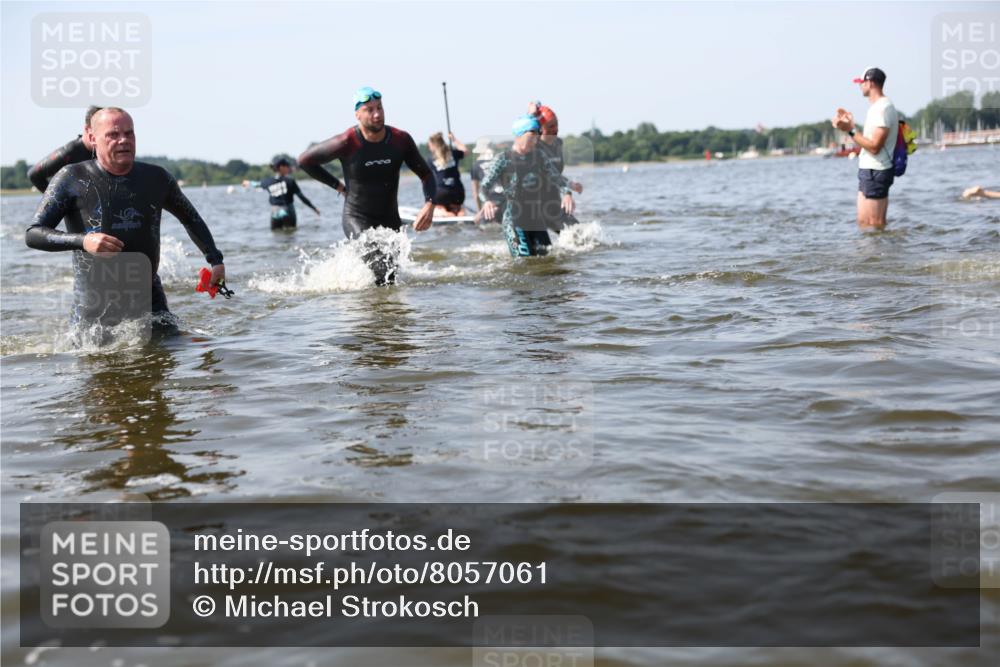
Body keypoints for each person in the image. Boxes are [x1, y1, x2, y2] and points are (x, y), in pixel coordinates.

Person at [25, 108, 226, 330]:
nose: (123, 140)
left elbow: (191, 218)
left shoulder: (157, 178)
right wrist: (84, 241)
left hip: (151, 303)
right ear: (92, 138)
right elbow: (33, 233)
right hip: (95, 311)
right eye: (113, 134)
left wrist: (215, 261)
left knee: (192, 346)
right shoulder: (71, 178)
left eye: (129, 133)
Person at [297, 86, 436, 285]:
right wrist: (338, 186)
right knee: (382, 269)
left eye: (379, 107)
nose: (377, 114)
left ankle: (376, 304)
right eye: (369, 110)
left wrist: (429, 204)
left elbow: (427, 174)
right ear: (357, 115)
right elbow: (305, 161)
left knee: (391, 277)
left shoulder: (400, 140)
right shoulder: (347, 142)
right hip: (357, 217)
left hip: (390, 219)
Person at [478, 115, 575, 257]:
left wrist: (567, 193)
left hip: (536, 219)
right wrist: (486, 201)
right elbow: (484, 187)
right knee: (523, 262)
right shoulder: (503, 159)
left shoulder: (539, 156)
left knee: (547, 261)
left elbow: (556, 177)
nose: (536, 138)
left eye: (538, 134)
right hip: (514, 219)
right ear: (520, 135)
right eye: (532, 134)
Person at [832, 67, 898, 229]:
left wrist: (850, 130)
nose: (859, 86)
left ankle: (886, 246)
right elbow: (868, 141)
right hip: (869, 170)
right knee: (864, 223)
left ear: (870, 83)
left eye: (861, 82)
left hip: (877, 170)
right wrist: (850, 125)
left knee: (875, 225)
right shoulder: (876, 107)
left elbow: (875, 146)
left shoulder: (883, 108)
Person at [531, 103, 584, 231]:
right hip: (532, 207)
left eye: (556, 124)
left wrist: (569, 184)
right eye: (550, 126)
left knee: (581, 235)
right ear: (539, 128)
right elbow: (524, 132)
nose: (555, 129)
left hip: (553, 205)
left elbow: (554, 173)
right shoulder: (533, 146)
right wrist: (531, 116)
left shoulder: (558, 144)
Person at [27, 105, 103, 192]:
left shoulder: (107, 152)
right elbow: (34, 175)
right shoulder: (71, 152)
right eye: (99, 130)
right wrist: (56, 197)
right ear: (87, 129)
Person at [243, 156, 320, 230]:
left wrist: (247, 182)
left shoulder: (268, 181)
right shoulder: (290, 181)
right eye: (287, 166)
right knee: (290, 233)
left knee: (276, 235)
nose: (289, 168)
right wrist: (314, 208)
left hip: (275, 212)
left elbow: (256, 184)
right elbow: (301, 197)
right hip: (287, 211)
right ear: (281, 167)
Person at [427, 131, 469, 216]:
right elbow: (465, 151)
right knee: (458, 207)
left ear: (433, 145)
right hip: (458, 192)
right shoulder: (453, 153)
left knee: (438, 207)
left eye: (430, 145)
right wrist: (454, 140)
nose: (429, 148)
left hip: (441, 194)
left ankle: (445, 213)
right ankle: (459, 212)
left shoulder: (430, 159)